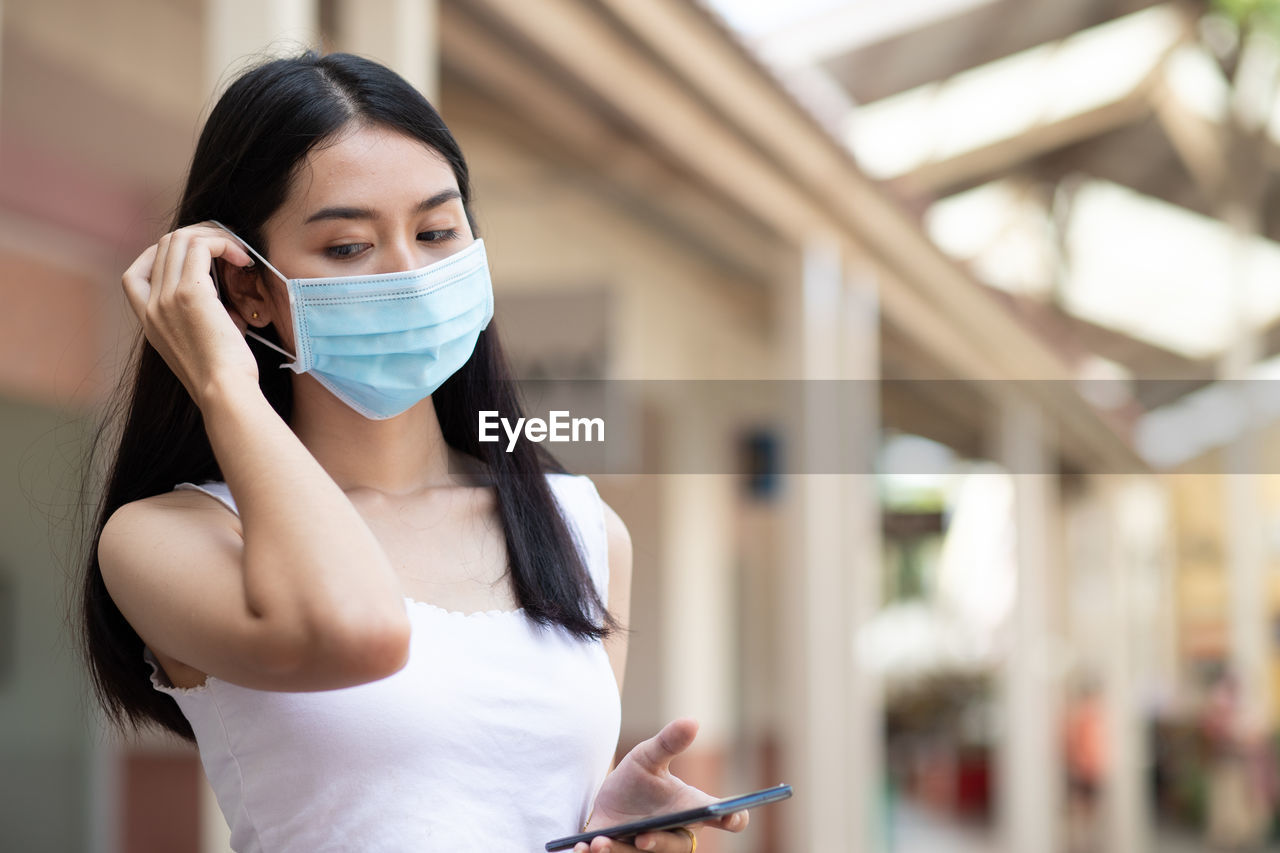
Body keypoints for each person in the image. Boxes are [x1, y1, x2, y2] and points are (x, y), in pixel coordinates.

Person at [77, 50, 748, 853]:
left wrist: (606, 828)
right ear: (248, 289)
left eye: (436, 231)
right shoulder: (167, 536)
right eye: (349, 247)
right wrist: (225, 385)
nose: (411, 274)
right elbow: (356, 630)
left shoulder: (581, 528)